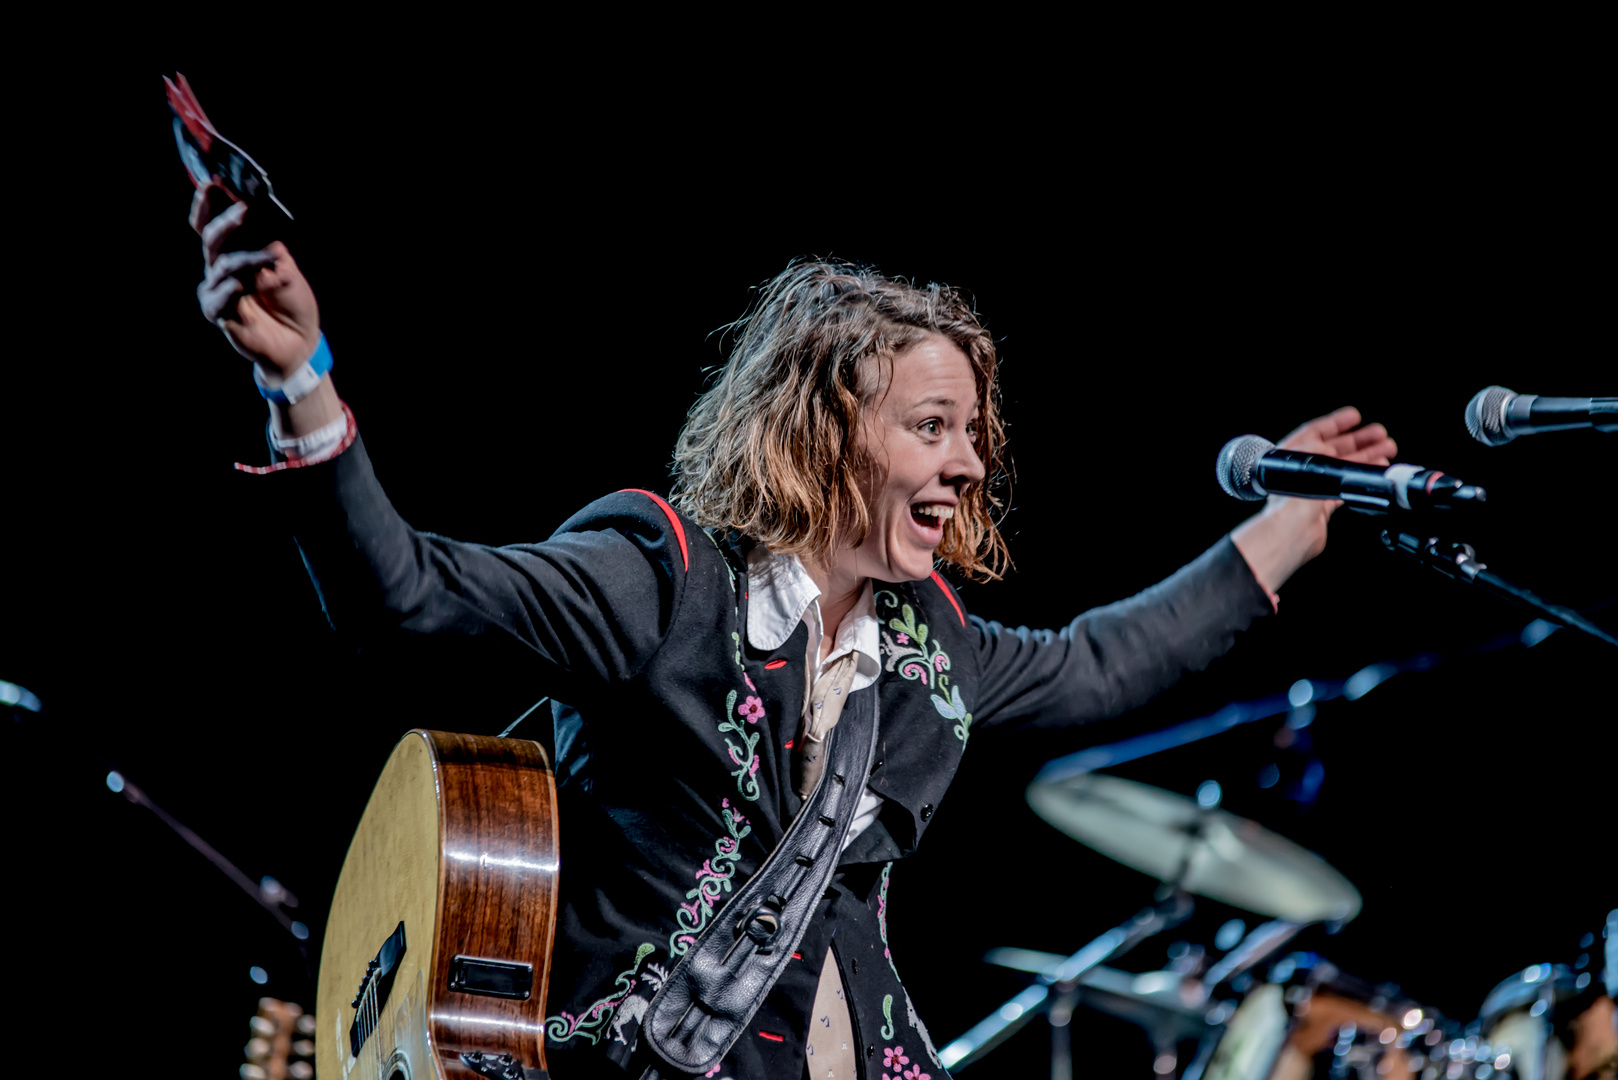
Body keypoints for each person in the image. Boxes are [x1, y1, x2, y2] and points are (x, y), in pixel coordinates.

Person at [192, 188, 1397, 1080]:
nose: (970, 464)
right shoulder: (659, 579)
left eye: (972, 432)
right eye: (933, 426)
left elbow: (1101, 662)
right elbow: (408, 597)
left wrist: (1293, 527)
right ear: (829, 432)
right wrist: (303, 384)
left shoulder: (930, 656)